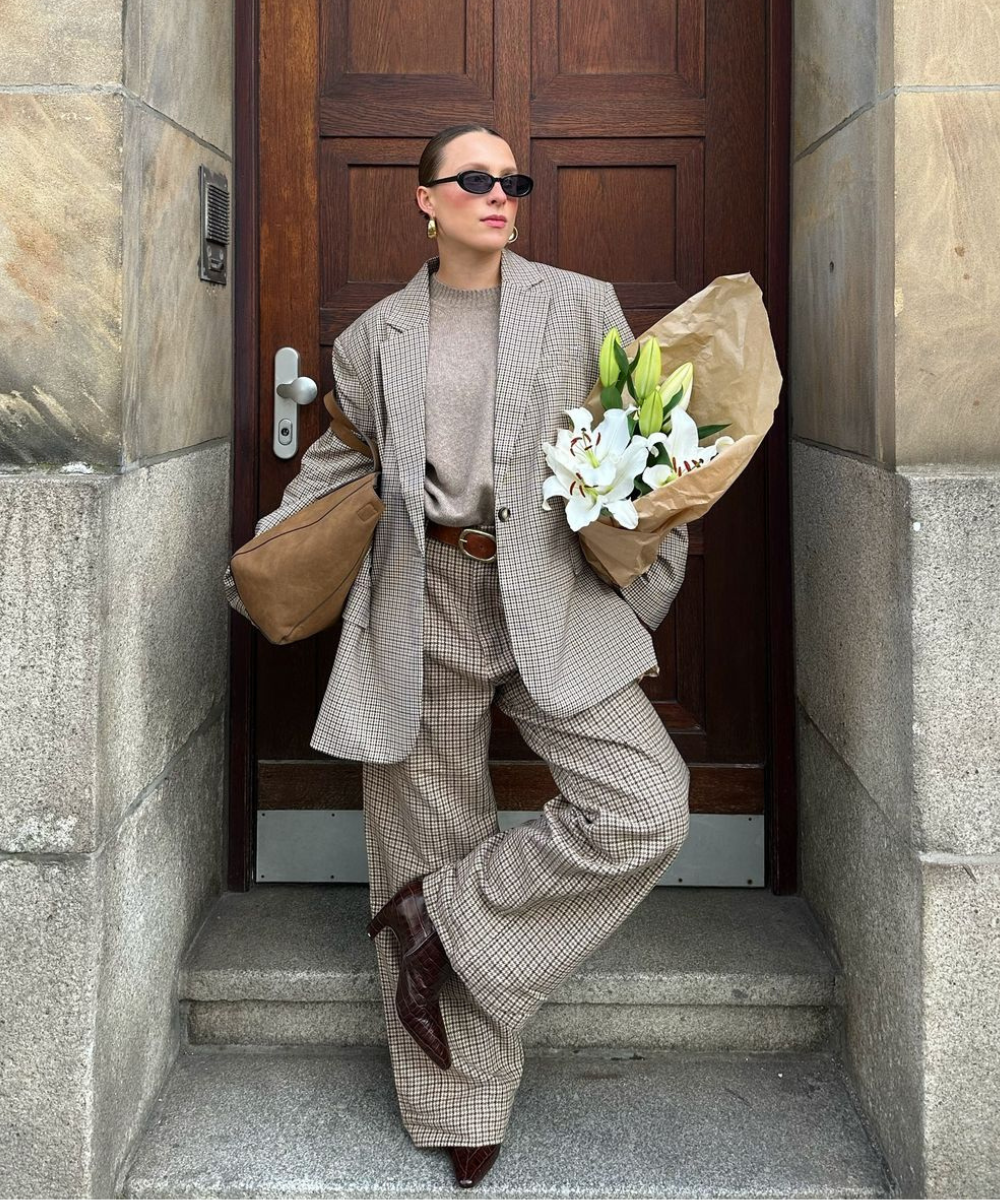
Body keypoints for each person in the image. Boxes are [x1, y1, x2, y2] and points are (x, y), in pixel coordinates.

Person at [223, 123, 690, 1189]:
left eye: (509, 180)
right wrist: (268, 562)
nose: (498, 194)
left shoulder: (576, 303)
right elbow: (342, 461)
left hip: (552, 587)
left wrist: (650, 579)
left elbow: (643, 446)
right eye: (473, 180)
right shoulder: (374, 336)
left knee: (645, 805)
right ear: (423, 201)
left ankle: (446, 919)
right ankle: (458, 1100)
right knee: (423, 833)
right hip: (419, 591)